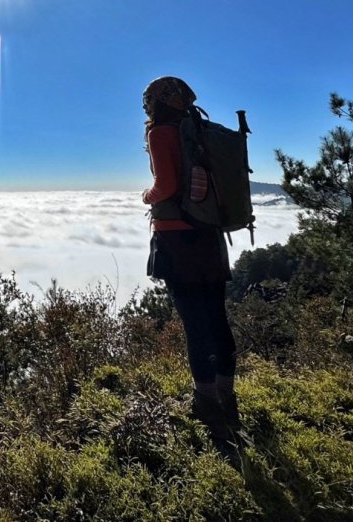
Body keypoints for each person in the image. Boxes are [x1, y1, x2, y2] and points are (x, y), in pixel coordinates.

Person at [140, 76, 240, 440]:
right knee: (216, 317)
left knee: (194, 323)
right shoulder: (200, 130)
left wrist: (147, 197)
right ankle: (228, 398)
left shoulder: (160, 133)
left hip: (176, 239)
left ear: (155, 103)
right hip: (210, 236)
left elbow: (165, 186)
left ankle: (206, 403)